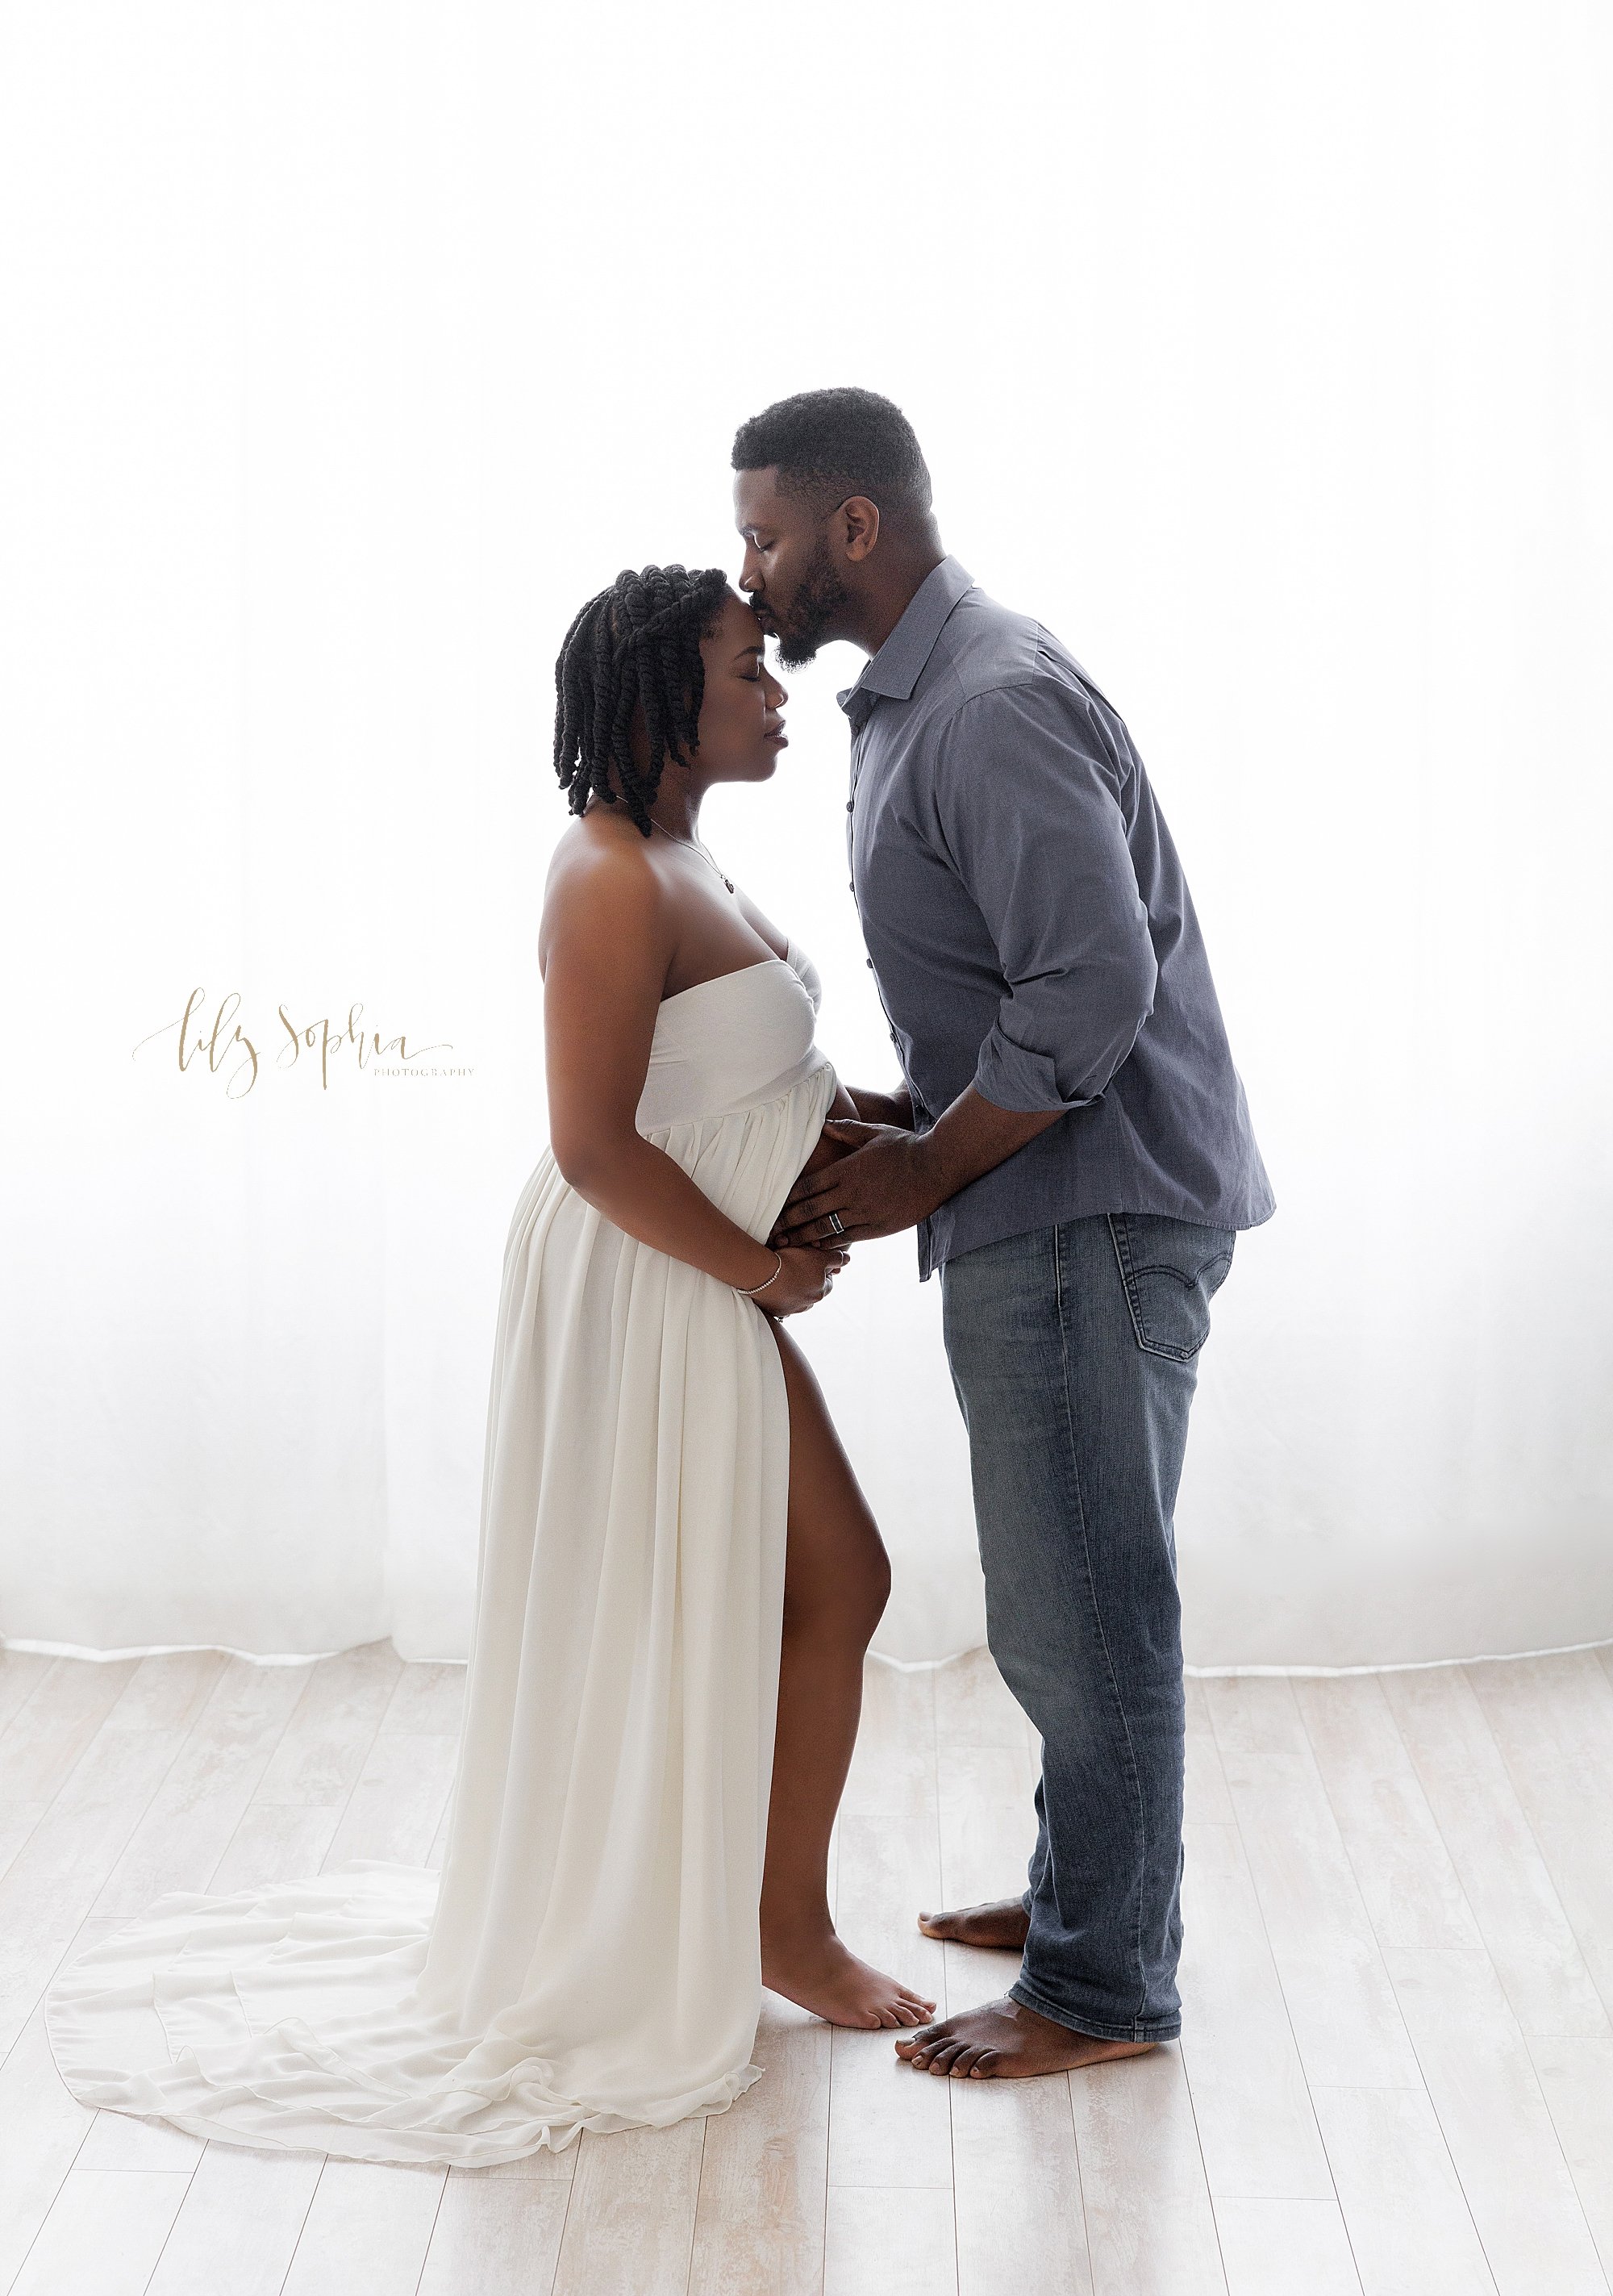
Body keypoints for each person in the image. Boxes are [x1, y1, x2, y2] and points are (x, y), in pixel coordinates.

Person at [46, 561, 931, 2166]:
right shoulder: (604, 875)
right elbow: (593, 1147)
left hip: (703, 1278)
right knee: (800, 1583)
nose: (778, 692)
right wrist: (763, 1270)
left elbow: (739, 1084)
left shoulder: (684, 854)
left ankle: (778, 1925)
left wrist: (906, 1143)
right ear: (662, 691)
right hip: (646, 1280)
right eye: (748, 670)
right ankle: (760, 1932)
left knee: (834, 1583)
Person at [731, 388, 1276, 2081]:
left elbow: (1094, 987)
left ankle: (1103, 1991)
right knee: (1073, 1589)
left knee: (1081, 1607)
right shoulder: (920, 701)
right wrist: (916, 1112)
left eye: (763, 537)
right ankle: (1080, 1903)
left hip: (1084, 1216)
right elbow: (1027, 981)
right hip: (1053, 1195)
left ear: (854, 528)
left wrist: (926, 1166)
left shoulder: (982, 706)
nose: (744, 578)